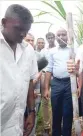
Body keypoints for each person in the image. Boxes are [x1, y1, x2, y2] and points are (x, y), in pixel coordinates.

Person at [0, 4, 37, 136]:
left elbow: (30, 82)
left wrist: (32, 111)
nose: (23, 34)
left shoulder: (28, 50)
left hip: (16, 124)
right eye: (18, 28)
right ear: (4, 22)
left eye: (26, 30)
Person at [44, 28, 73, 136]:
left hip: (70, 84)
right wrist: (47, 89)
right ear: (56, 37)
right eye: (58, 35)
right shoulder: (52, 52)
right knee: (56, 111)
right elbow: (49, 70)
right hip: (56, 83)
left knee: (67, 112)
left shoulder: (73, 50)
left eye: (63, 35)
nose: (61, 37)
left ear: (67, 36)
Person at [40, 32, 56, 135]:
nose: (50, 39)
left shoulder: (58, 49)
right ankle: (46, 126)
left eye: (52, 37)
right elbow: (41, 65)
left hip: (55, 77)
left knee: (55, 101)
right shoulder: (43, 51)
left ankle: (56, 124)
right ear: (47, 39)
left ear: (54, 38)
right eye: (48, 38)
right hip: (44, 75)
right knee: (45, 101)